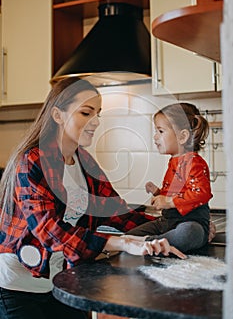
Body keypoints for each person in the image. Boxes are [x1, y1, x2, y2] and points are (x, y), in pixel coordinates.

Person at [0, 77, 185, 319]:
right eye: (86, 113)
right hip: (18, 287)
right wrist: (121, 242)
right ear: (58, 115)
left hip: (62, 280)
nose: (96, 121)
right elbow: (49, 230)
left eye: (98, 113)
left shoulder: (84, 161)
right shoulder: (33, 161)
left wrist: (178, 225)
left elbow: (117, 212)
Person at [127, 102, 213, 252]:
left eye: (160, 131)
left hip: (191, 222)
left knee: (188, 233)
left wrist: (168, 201)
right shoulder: (174, 161)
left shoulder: (194, 162)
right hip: (168, 221)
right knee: (128, 236)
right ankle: (149, 242)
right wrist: (158, 193)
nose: (155, 137)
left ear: (182, 136)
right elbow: (176, 194)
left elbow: (201, 193)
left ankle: (148, 243)